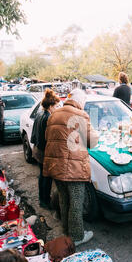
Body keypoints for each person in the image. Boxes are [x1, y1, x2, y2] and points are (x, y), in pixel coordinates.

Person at [43, 89, 99, 246]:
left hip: (56, 165)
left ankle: (66, 230)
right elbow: (92, 141)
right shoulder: (80, 115)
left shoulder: (54, 114)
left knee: (64, 198)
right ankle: (76, 236)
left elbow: (48, 137)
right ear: (81, 102)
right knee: (76, 201)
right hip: (73, 167)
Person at [30, 89, 61, 209]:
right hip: (44, 152)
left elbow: (34, 135)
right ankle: (44, 201)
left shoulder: (39, 113)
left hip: (38, 150)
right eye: (56, 106)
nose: (57, 108)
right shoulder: (48, 117)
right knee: (46, 178)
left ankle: (42, 199)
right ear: (51, 106)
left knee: (42, 176)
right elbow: (47, 139)